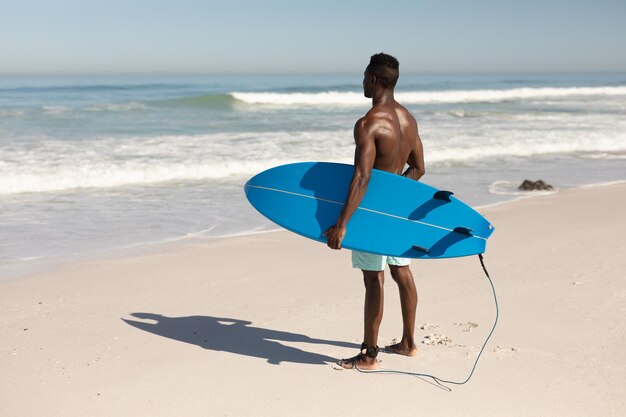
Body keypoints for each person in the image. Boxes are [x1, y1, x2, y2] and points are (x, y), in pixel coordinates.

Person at [324, 53, 425, 370]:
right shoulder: (408, 120)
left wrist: (342, 223)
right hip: (396, 212)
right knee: (402, 271)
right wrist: (393, 196)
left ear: (373, 79)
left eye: (364, 76)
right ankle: (409, 343)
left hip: (370, 214)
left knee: (374, 279)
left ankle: (369, 355)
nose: (362, 82)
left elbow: (362, 176)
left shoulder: (369, 123)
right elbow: (419, 169)